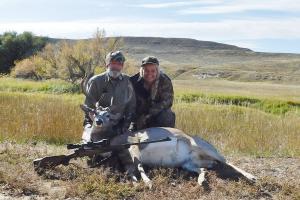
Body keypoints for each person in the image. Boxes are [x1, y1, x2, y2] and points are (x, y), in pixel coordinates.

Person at [82, 51, 136, 142]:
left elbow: (131, 107)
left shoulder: (128, 82)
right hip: (98, 123)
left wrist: (126, 126)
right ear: (107, 65)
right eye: (113, 63)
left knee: (123, 150)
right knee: (90, 145)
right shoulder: (95, 81)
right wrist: (92, 120)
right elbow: (89, 107)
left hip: (118, 124)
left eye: (119, 64)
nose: (116, 67)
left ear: (122, 66)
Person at [130, 56, 175, 130]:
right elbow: (129, 104)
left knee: (167, 115)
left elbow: (167, 102)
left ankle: (165, 136)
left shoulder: (165, 81)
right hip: (138, 117)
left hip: (157, 115)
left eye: (153, 71)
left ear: (157, 71)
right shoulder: (133, 81)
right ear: (142, 70)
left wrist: (147, 116)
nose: (149, 74)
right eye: (146, 70)